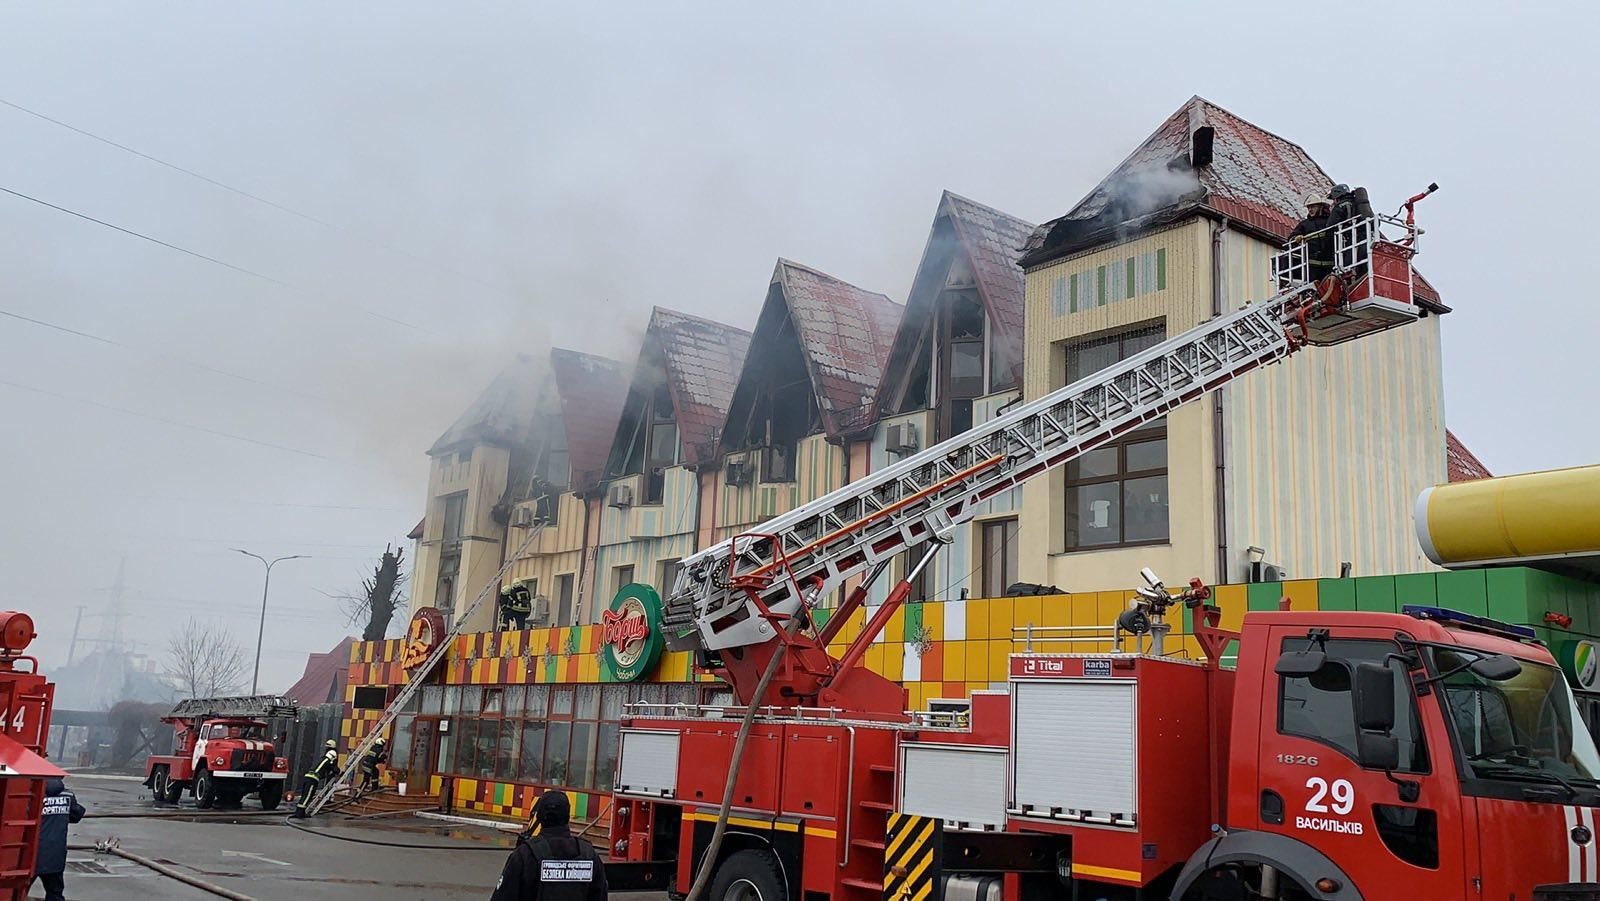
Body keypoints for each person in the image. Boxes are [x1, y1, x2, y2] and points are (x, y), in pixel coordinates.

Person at [490, 790, 608, 901]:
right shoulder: (589, 855)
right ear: (567, 816)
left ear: (539, 816)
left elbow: (502, 897)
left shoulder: (524, 855)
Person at [34, 776, 85, 901]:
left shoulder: (34, 793)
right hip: (55, 853)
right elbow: (76, 815)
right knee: (54, 893)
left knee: (16, 892)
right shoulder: (68, 795)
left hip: (32, 853)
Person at [1288, 192, 1336, 282]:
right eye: (1309, 207)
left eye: (1313, 207)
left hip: (1330, 265)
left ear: (1321, 206)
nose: (1310, 210)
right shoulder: (1304, 224)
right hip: (1312, 267)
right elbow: (1290, 240)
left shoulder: (1331, 220)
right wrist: (1296, 238)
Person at [292, 739, 341, 818]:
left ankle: (299, 812)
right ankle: (299, 814)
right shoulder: (328, 761)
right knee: (307, 797)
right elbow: (333, 768)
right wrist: (337, 771)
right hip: (312, 780)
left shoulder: (322, 760)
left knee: (305, 796)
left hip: (308, 777)